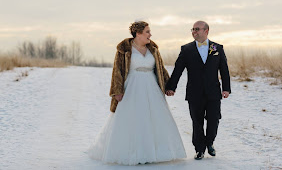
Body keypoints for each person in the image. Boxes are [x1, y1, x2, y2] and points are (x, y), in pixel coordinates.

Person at [88, 21, 186, 165]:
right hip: (132, 87)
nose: (150, 34)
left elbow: (160, 69)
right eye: (147, 31)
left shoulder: (153, 49)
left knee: (155, 118)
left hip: (152, 87)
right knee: (132, 118)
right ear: (138, 33)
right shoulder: (124, 49)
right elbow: (117, 71)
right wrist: (117, 91)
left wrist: (169, 86)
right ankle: (132, 152)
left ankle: (157, 152)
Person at [166, 20, 231, 160]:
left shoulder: (217, 48)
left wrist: (226, 89)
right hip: (194, 92)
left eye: (197, 29)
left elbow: (224, 70)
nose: (194, 31)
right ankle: (199, 149)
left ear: (206, 31)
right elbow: (178, 70)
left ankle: (210, 143)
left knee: (214, 119)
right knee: (197, 121)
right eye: (193, 29)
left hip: (213, 92)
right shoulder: (186, 49)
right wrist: (171, 87)